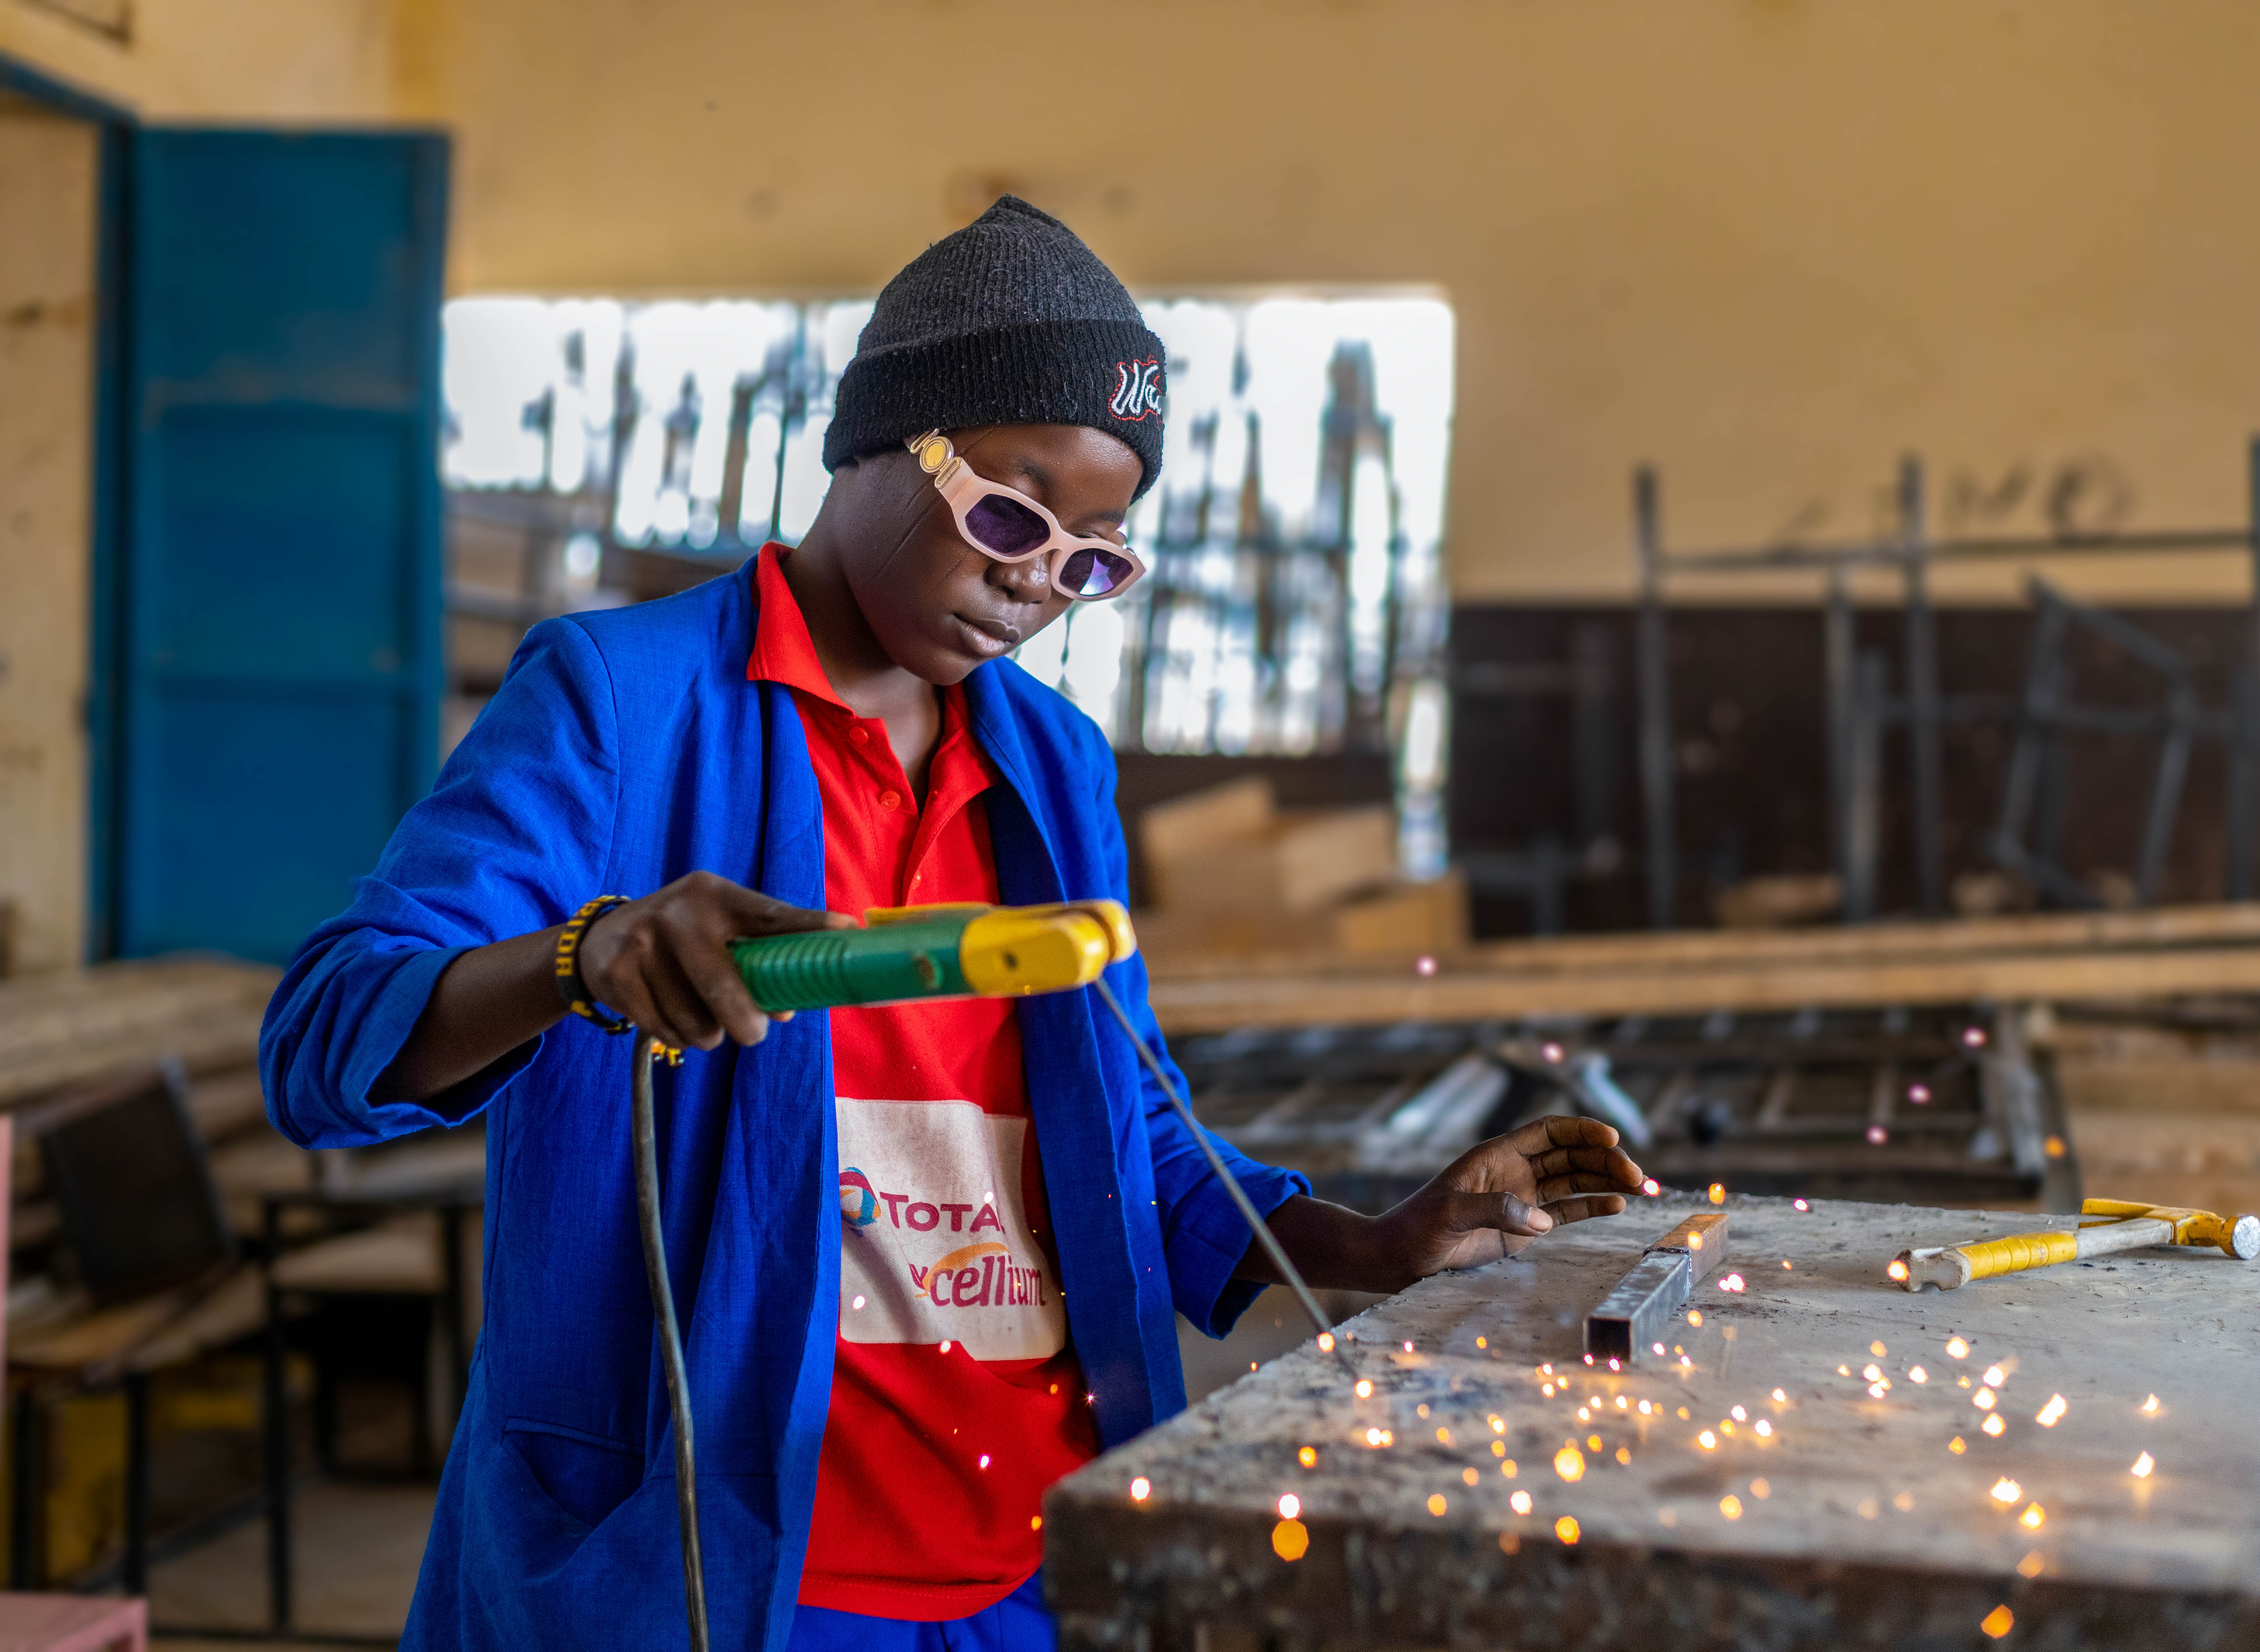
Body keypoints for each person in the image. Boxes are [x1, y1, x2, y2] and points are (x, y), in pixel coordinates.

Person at [259, 197, 1646, 1652]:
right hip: (724, 1566)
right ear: (876, 442)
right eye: (1007, 513)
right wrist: (581, 954)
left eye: (1092, 557)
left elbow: (1128, 1133)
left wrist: (1364, 1244)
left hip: (1033, 1559)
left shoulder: (1050, 764)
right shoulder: (624, 702)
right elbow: (323, 1039)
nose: (1033, 581)